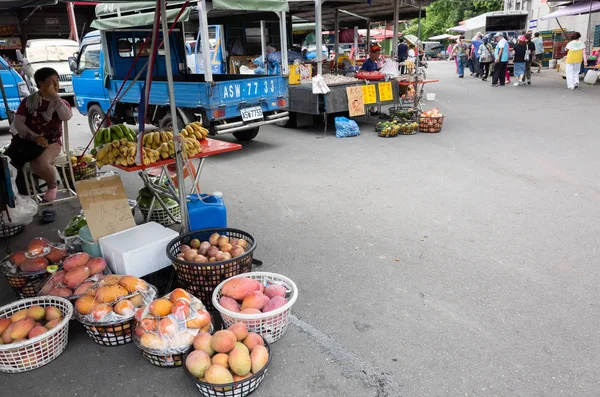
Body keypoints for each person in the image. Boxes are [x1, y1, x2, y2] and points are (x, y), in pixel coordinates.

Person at [5, 67, 72, 213]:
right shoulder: (29, 101)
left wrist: (55, 96)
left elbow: (66, 116)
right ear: (41, 84)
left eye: (56, 81)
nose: (55, 85)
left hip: (53, 142)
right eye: (50, 82)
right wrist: (34, 136)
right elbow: (18, 123)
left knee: (40, 164)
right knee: (8, 162)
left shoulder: (59, 102)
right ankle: (17, 194)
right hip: (30, 140)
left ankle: (52, 185)